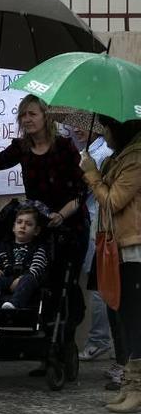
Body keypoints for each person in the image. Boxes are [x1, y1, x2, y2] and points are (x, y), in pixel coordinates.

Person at [0, 95, 89, 372]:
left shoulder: (64, 147)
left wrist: (60, 215)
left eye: (31, 114)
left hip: (69, 226)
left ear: (46, 116)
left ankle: (61, 345)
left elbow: (81, 191)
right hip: (40, 229)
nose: (26, 120)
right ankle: (43, 346)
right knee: (37, 285)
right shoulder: (21, 147)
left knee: (62, 288)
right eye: (22, 116)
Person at [79, 116, 141, 413]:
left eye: (107, 128)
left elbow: (114, 201)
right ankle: (130, 383)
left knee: (134, 318)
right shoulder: (121, 158)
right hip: (119, 245)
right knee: (125, 316)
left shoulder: (136, 158)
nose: (104, 134)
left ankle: (138, 388)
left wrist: (93, 175)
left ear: (121, 129)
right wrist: (99, 171)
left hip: (134, 247)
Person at [71, 124, 116, 362]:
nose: (76, 128)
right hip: (91, 224)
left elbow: (89, 191)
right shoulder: (89, 151)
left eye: (84, 122)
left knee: (98, 284)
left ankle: (100, 340)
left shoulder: (102, 153)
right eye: (74, 124)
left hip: (98, 225)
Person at [0, 203, 49, 309]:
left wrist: (20, 280)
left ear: (36, 231)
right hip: (6, 279)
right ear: (13, 227)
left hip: (26, 281)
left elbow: (37, 267)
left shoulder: (38, 248)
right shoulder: (4, 246)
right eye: (19, 222)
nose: (23, 226)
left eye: (28, 224)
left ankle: (14, 304)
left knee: (29, 279)